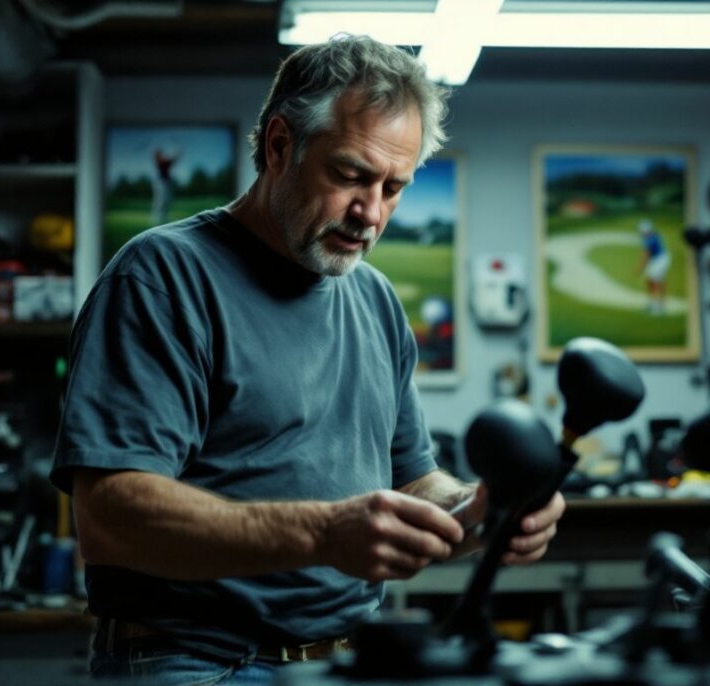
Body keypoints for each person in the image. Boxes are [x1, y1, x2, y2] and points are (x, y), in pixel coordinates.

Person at [50, 35, 566, 685]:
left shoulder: (373, 298)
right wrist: (325, 533)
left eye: (394, 188)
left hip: (342, 658)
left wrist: (482, 506)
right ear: (279, 147)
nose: (370, 213)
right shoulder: (163, 278)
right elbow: (111, 519)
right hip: (193, 660)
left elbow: (414, 480)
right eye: (350, 175)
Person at [638, 219, 670, 314]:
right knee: (651, 281)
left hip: (660, 259)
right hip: (659, 259)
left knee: (654, 282)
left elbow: (646, 255)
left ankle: (657, 308)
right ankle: (655, 304)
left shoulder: (650, 239)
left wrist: (640, 267)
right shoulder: (653, 235)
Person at [150, 146, 182, 225]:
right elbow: (169, 161)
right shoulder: (160, 162)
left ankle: (164, 217)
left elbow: (172, 162)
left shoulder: (163, 161)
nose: (162, 155)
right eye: (160, 154)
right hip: (161, 183)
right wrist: (176, 153)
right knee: (160, 201)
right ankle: (157, 219)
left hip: (166, 183)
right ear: (157, 156)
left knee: (167, 200)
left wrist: (177, 155)